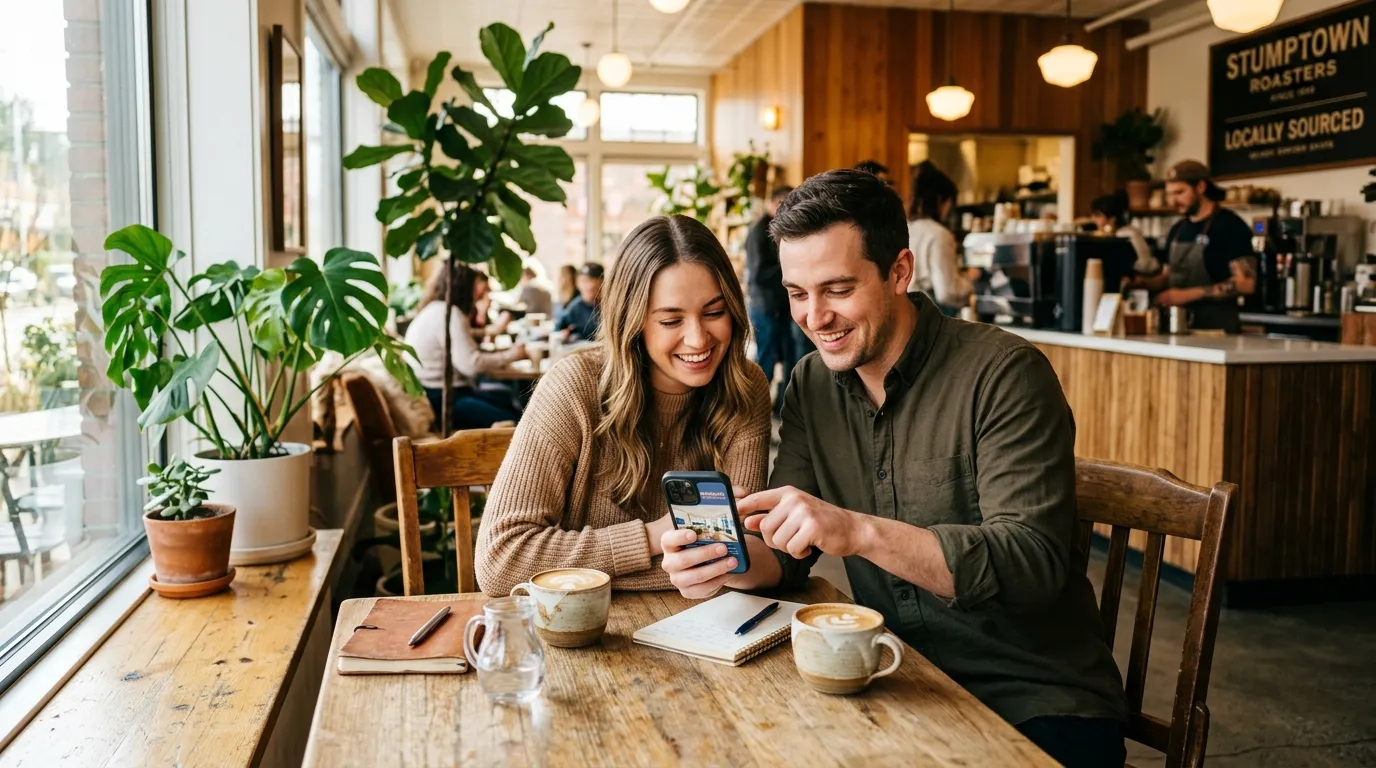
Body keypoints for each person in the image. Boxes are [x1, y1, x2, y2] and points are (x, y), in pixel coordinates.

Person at [658, 170, 1127, 768]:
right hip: (896, 678)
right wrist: (726, 559)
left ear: (900, 271)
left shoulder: (1005, 373)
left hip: (1036, 700)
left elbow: (1031, 561)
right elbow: (791, 555)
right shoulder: (811, 386)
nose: (814, 316)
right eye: (797, 293)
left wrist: (857, 531)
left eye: (837, 289)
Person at [475, 215, 775, 595]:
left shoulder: (744, 386)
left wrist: (587, 570)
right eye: (671, 320)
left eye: (714, 313)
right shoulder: (573, 386)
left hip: (698, 631)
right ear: (632, 321)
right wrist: (655, 537)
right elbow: (501, 562)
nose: (699, 339)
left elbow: (735, 557)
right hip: (575, 634)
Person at [1129, 160, 1256, 333]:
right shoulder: (1177, 229)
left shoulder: (1229, 225)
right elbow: (1167, 276)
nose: (1173, 201)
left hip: (1218, 331)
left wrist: (1186, 295)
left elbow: (1246, 283)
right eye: (1169, 195)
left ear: (1201, 187)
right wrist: (1140, 283)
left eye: (1180, 193)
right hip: (1178, 327)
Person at [403, 265, 526, 431]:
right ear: (465, 286)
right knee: (517, 423)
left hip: (436, 393)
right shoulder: (449, 314)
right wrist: (512, 355)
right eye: (479, 286)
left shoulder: (436, 309)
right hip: (443, 398)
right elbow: (470, 364)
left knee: (511, 403)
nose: (483, 292)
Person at [744, 186, 797, 412]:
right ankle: (755, 410)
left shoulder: (778, 229)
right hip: (764, 305)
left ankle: (780, 406)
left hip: (780, 305)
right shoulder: (758, 232)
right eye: (785, 203)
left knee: (788, 355)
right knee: (766, 357)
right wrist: (789, 270)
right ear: (774, 203)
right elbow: (757, 273)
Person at [906, 160, 972, 313]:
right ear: (940, 200)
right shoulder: (939, 234)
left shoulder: (906, 227)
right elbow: (946, 292)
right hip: (931, 316)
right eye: (949, 203)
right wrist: (969, 282)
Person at [1090, 192, 1159, 275]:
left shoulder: (1127, 234)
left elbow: (1145, 264)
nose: (1093, 219)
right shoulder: (1106, 233)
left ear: (1112, 218)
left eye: (1098, 215)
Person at [554, 262, 604, 341]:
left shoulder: (610, 306)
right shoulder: (574, 307)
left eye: (594, 280)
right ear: (577, 283)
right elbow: (558, 330)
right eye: (584, 281)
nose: (590, 285)